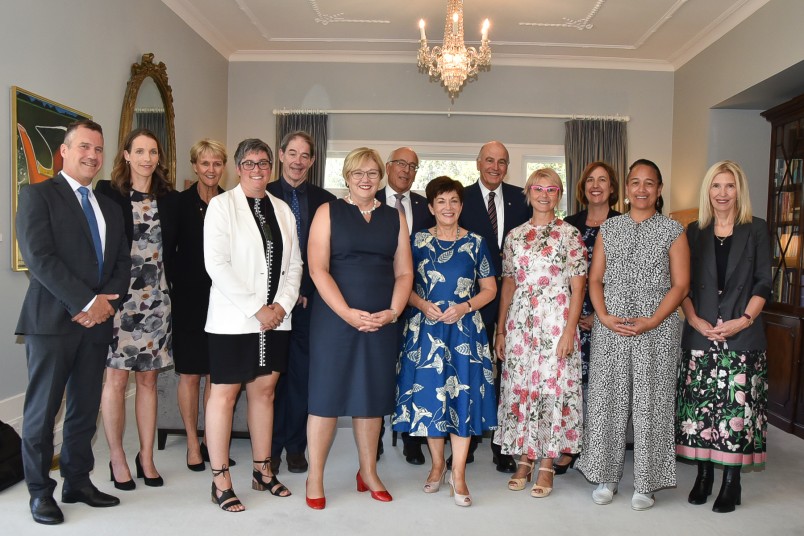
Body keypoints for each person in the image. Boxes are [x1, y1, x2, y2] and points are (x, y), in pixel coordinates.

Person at [16, 120, 131, 525]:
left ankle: (77, 481)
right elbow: (40, 258)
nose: (92, 156)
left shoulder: (111, 208)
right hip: (51, 322)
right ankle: (38, 493)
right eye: (84, 147)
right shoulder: (38, 196)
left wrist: (104, 306)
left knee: (85, 409)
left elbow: (121, 262)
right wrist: (85, 302)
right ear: (64, 151)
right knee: (42, 413)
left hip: (97, 324)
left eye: (99, 150)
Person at [576, 159, 690, 511]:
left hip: (656, 330)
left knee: (651, 405)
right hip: (612, 328)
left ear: (658, 190)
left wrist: (653, 320)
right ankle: (606, 476)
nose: (642, 189)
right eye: (635, 182)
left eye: (650, 183)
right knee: (606, 402)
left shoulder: (673, 230)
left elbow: (681, 284)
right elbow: (595, 279)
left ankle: (647, 482)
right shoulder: (610, 229)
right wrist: (604, 317)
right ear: (626, 189)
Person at [305, 147, 413, 510]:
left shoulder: (394, 216)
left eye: (371, 173)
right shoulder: (328, 212)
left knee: (371, 399)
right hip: (334, 319)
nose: (365, 179)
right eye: (357, 173)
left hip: (381, 321)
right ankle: (315, 476)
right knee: (325, 398)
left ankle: (368, 471)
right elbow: (318, 269)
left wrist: (393, 311)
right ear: (346, 177)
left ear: (381, 177)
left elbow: (404, 272)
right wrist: (347, 313)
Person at [203, 138, 302, 512]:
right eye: (249, 162)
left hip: (276, 320)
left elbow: (294, 265)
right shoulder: (221, 206)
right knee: (224, 397)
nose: (257, 169)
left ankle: (263, 470)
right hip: (233, 320)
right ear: (237, 166)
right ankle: (220, 479)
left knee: (265, 394)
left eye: (263, 163)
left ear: (270, 167)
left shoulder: (282, 210)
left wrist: (280, 305)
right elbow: (217, 265)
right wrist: (255, 308)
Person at [393, 176, 497, 507]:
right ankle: (438, 465)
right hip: (425, 331)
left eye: (454, 201)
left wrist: (465, 306)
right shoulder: (417, 241)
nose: (448, 207)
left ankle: (460, 474)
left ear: (461, 206)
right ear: (431, 206)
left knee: (462, 401)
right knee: (433, 399)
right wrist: (422, 304)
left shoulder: (477, 243)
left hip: (465, 331)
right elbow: (401, 284)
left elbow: (490, 289)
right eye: (441, 201)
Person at [675, 160, 771, 513]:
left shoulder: (756, 229)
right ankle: (704, 477)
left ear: (739, 191)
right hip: (700, 335)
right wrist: (695, 320)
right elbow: (680, 284)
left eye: (730, 186)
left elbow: (763, 281)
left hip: (742, 336)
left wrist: (744, 320)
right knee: (700, 412)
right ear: (708, 191)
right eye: (716, 186)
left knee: (735, 412)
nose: (722, 193)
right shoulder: (693, 231)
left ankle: (732, 482)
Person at [494, 168, 586, 499]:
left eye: (551, 189)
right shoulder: (514, 236)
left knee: (550, 392)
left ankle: (546, 463)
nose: (544, 194)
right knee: (522, 391)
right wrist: (501, 329)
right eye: (538, 188)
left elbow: (579, 289)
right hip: (520, 326)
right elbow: (508, 282)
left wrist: (568, 331)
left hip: (556, 325)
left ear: (559, 194)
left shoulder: (570, 235)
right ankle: (524, 460)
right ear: (528, 193)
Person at [96, 129, 178, 491]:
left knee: (148, 380)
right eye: (139, 151)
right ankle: (117, 456)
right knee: (115, 379)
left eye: (153, 151)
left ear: (159, 158)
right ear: (126, 155)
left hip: (157, 302)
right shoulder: (107, 194)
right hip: (118, 303)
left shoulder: (170, 200)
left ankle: (146, 456)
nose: (147, 157)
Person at [459, 141, 531, 473]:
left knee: (507, 373)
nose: (495, 167)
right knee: (471, 369)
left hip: (515, 301)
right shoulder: (461, 197)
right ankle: (468, 438)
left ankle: (503, 443)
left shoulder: (522, 198)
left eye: (502, 162)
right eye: (489, 160)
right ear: (478, 163)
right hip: (471, 298)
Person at [268, 131, 335, 475]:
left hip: (309, 306)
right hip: (270, 306)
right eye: (291, 153)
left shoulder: (325, 200)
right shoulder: (263, 194)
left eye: (304, 155)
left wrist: (306, 289)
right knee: (269, 380)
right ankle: (270, 448)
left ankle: (295, 447)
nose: (297, 160)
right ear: (281, 155)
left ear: (311, 161)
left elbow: (324, 254)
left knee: (300, 378)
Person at [560, 161, 620, 473]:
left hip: (609, 318)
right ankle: (570, 446)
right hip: (569, 317)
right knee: (572, 385)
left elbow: (625, 277)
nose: (596, 185)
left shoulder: (623, 224)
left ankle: (599, 448)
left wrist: (602, 315)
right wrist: (570, 316)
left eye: (603, 180)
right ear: (583, 189)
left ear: (612, 188)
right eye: (590, 181)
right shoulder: (568, 225)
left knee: (602, 387)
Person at [171, 139, 227, 472]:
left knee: (214, 374)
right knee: (190, 374)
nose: (210, 169)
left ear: (224, 167)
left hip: (222, 299)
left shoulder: (231, 203)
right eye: (204, 163)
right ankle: (193, 443)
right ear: (195, 166)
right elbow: (169, 251)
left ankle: (210, 440)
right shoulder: (178, 203)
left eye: (217, 163)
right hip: (188, 300)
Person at [377, 146, 434, 465]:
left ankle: (414, 438)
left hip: (420, 303)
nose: (406, 170)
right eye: (400, 163)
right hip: (377, 299)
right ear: (387, 167)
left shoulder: (427, 207)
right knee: (381, 370)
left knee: (415, 371)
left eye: (413, 166)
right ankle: (376, 437)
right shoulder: (369, 198)